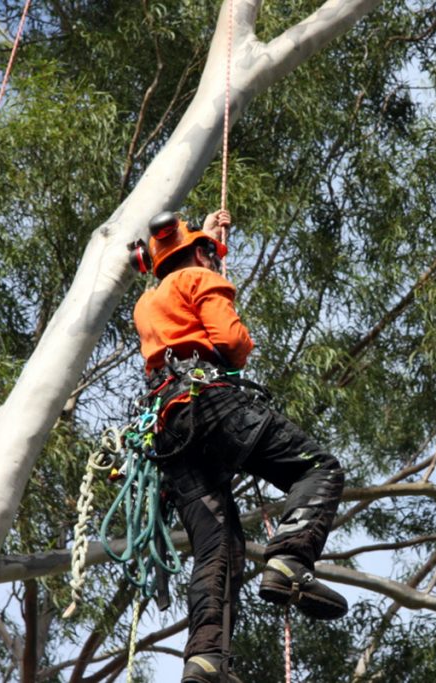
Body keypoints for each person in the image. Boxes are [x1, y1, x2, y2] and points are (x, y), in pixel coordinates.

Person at [132, 209, 347, 683]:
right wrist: (208, 262)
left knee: (218, 546)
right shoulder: (198, 277)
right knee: (319, 469)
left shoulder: (148, 301)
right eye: (208, 254)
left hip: (169, 432)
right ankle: (290, 560)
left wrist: (206, 239)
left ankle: (206, 658)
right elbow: (232, 342)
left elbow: (177, 296)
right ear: (198, 255)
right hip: (211, 404)